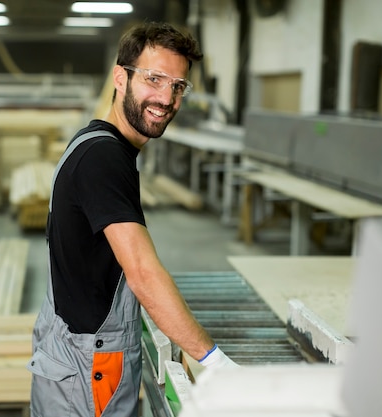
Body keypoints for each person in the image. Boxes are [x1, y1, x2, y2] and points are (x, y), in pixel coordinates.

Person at [26, 21, 238, 417]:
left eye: (178, 86)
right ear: (120, 78)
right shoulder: (103, 159)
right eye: (154, 79)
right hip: (88, 372)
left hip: (71, 357)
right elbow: (141, 271)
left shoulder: (95, 143)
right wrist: (215, 362)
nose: (166, 97)